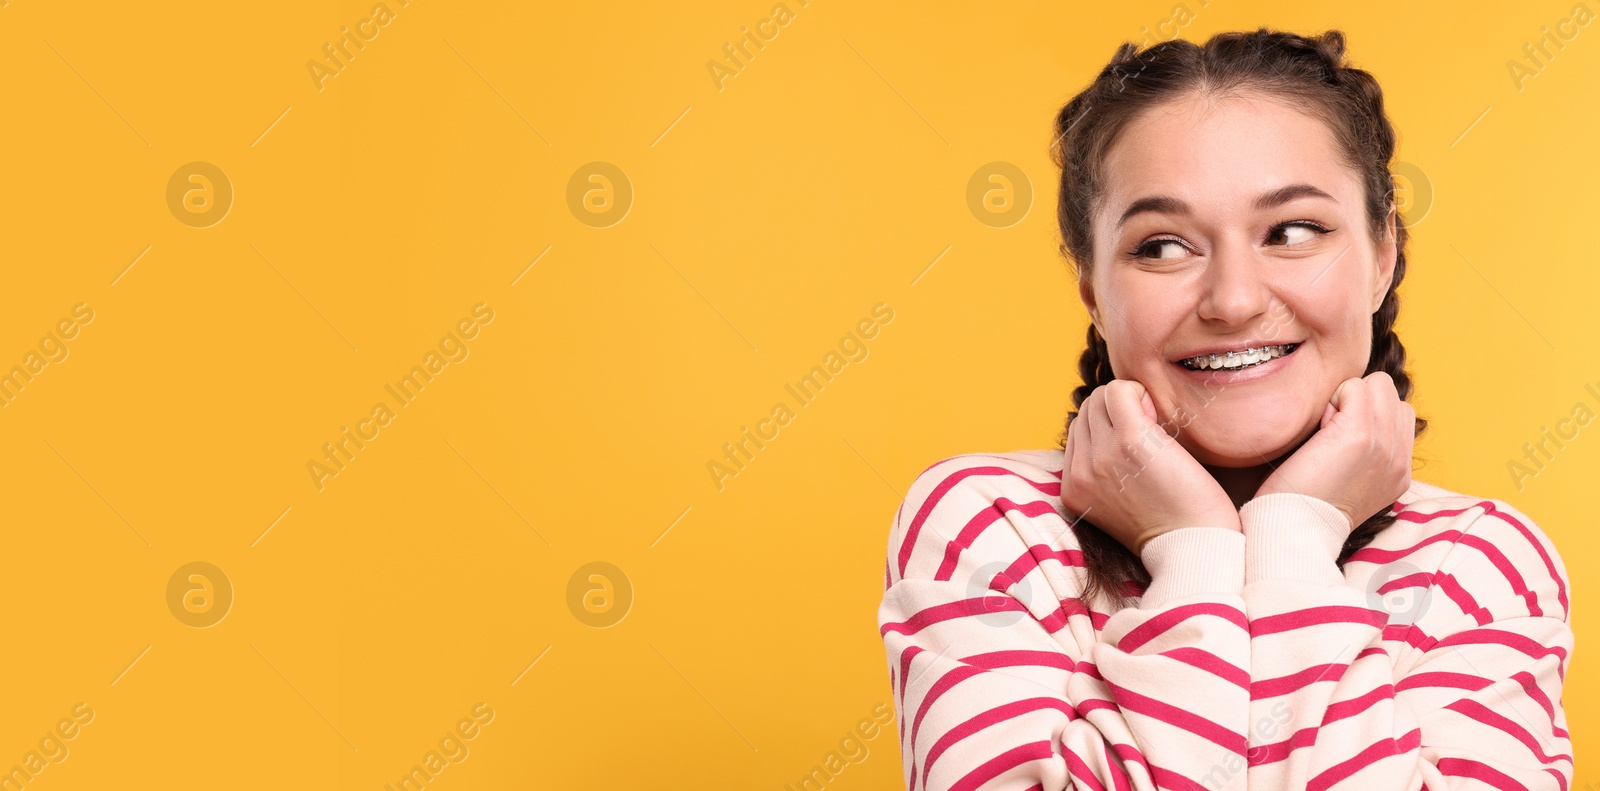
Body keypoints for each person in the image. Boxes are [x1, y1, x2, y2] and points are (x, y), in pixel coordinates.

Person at [877, 28, 1572, 791]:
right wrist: (1193, 550)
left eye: (1294, 231)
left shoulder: (1480, 566)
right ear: (1092, 292)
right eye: (1163, 247)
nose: (1234, 300)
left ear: (1382, 257)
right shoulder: (991, 529)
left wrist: (1293, 538)